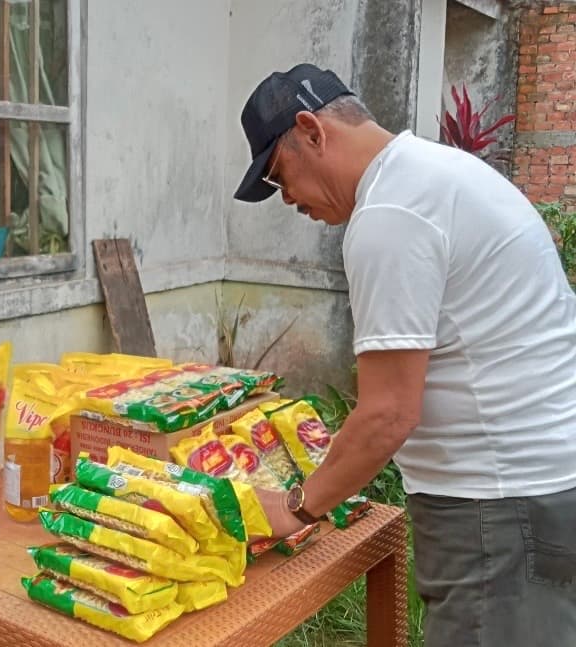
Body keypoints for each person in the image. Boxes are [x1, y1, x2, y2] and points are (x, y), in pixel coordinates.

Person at [234, 64, 576, 646]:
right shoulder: (439, 172)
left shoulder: (391, 214)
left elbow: (389, 413)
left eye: (277, 175)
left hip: (498, 505)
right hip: (536, 489)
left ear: (311, 130)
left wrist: (296, 507)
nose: (286, 198)